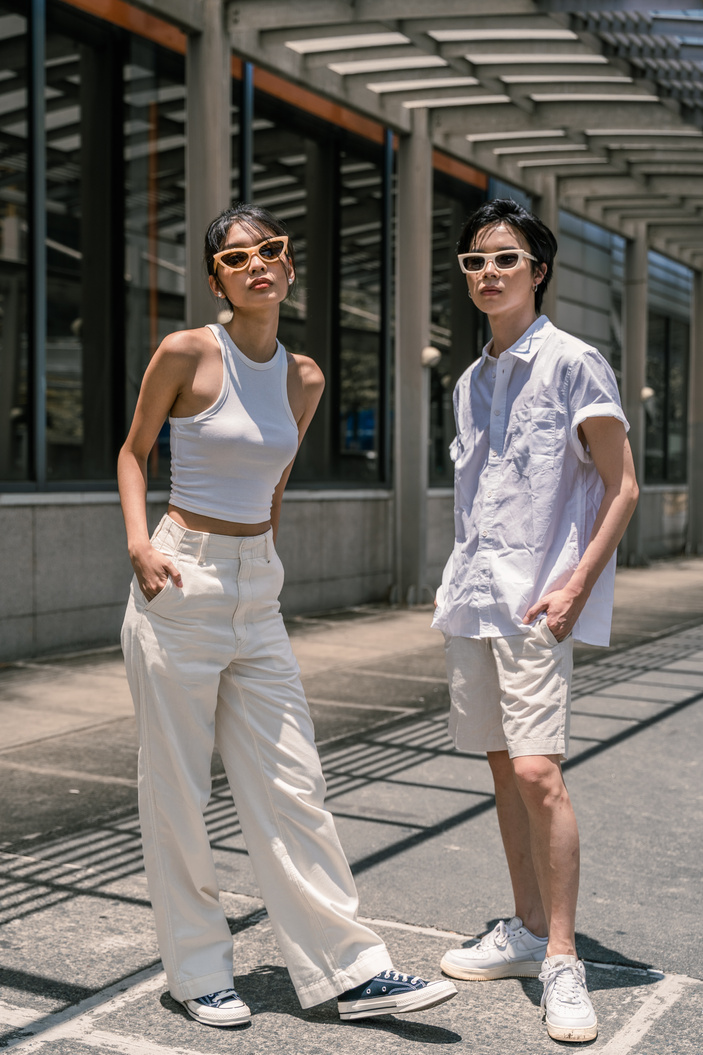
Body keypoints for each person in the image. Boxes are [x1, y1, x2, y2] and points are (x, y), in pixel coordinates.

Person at [118, 203, 457, 1029]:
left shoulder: (304, 375)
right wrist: (139, 545)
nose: (256, 264)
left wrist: (262, 559)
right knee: (179, 789)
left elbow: (275, 479)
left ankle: (351, 968)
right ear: (216, 280)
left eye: (269, 250)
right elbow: (133, 451)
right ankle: (197, 972)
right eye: (236, 259)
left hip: (256, 586)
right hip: (180, 575)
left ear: (289, 264)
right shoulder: (188, 351)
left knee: (294, 782)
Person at [432, 199, 638, 1043]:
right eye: (475, 261)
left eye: (505, 259)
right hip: (474, 596)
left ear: (537, 269)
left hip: (538, 597)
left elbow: (621, 484)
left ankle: (560, 956)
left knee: (537, 774)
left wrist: (577, 585)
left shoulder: (573, 361)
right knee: (498, 769)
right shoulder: (468, 381)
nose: (488, 274)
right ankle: (521, 927)